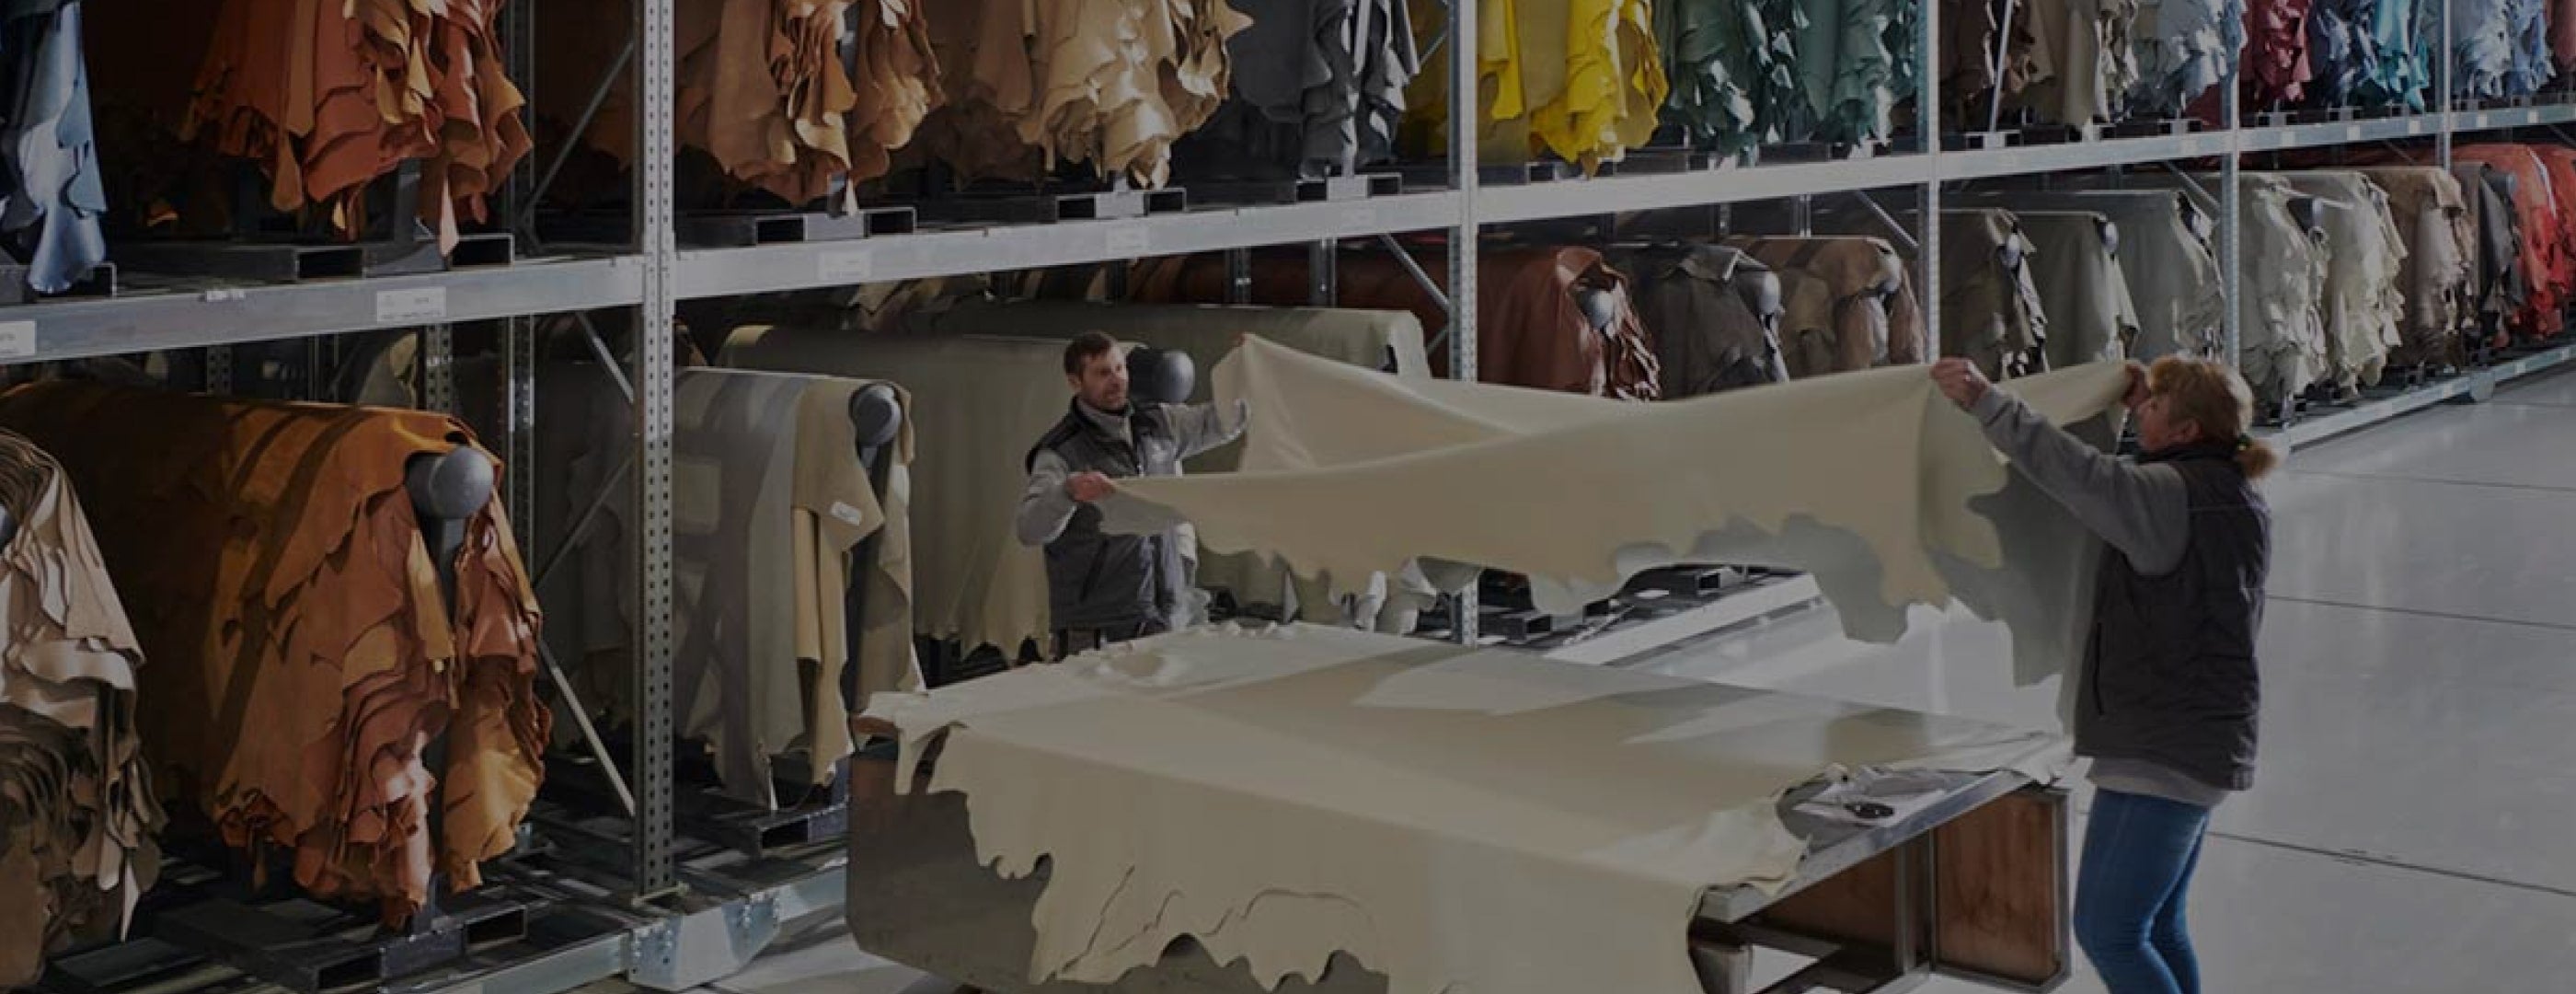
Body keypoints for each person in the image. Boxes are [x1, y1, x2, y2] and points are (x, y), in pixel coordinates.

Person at [1931, 355, 2275, 994]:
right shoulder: (2230, 491)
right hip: (2202, 736)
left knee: (2108, 930)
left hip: (2163, 747)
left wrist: (1986, 401)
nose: (2142, 410)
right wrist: (2144, 404)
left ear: (2187, 431)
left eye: (2155, 406)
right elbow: (2130, 488)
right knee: (2159, 927)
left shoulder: (2166, 496)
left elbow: (2078, 474)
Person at [1017, 332, 1247, 659]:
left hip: (1164, 613)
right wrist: (1067, 492)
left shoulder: (1158, 423)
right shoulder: (1060, 452)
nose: (1116, 380)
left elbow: (1221, 420)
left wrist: (1240, 369)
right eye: (1102, 373)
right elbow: (1029, 529)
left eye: (1120, 368)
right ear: (1075, 382)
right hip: (1098, 628)